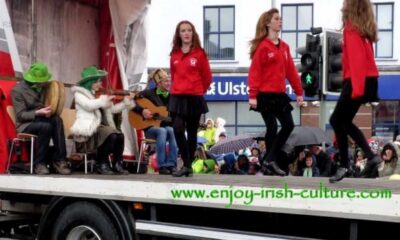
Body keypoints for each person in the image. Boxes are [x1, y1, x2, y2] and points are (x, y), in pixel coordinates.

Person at [329, 0, 380, 183]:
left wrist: (356, 90)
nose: (342, 6)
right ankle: (370, 156)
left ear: (351, 7)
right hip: (367, 80)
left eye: (345, 3)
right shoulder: (364, 30)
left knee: (335, 120)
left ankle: (344, 165)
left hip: (356, 81)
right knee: (345, 122)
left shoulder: (351, 29)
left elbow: (358, 61)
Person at [248, 8, 304, 176]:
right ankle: (270, 162)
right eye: (276, 18)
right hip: (264, 95)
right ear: (268, 23)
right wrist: (252, 95)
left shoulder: (285, 47)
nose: (280, 21)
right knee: (271, 127)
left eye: (280, 19)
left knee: (288, 125)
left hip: (279, 95)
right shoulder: (263, 47)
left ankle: (269, 160)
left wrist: (299, 93)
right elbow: (255, 72)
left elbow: (291, 72)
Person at [70, 66, 135, 174]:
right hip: (89, 128)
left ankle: (117, 163)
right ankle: (102, 163)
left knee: (119, 135)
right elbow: (88, 106)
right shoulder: (79, 94)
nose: (101, 84)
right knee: (111, 134)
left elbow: (113, 110)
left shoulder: (99, 94)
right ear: (91, 82)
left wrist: (125, 101)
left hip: (102, 128)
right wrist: (103, 100)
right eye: (98, 81)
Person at [169, 20, 212, 177]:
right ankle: (186, 162)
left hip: (194, 97)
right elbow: (173, 76)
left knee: (192, 132)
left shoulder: (200, 54)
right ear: (179, 34)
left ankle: (188, 166)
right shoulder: (174, 54)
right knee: (178, 128)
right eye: (183, 30)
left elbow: (207, 77)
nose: (186, 33)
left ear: (193, 33)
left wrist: (199, 91)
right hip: (177, 97)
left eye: (189, 30)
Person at [11, 63, 71, 175]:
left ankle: (60, 160)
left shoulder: (45, 87)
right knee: (46, 126)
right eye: (43, 80)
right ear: (35, 80)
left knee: (57, 119)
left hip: (42, 119)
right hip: (26, 124)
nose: (45, 82)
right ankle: (39, 163)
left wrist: (49, 110)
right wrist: (38, 112)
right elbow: (20, 115)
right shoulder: (17, 91)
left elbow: (51, 99)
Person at [132, 68, 178, 175]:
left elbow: (171, 118)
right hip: (150, 129)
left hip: (164, 127)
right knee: (162, 131)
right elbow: (132, 101)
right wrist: (142, 110)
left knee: (172, 130)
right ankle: (161, 165)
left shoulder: (171, 97)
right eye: (166, 81)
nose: (169, 83)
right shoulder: (148, 93)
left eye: (169, 81)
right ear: (159, 82)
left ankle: (171, 164)